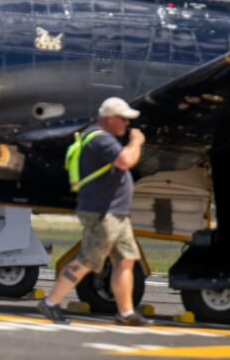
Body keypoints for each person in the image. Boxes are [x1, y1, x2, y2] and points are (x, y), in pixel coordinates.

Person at [39, 97, 148, 326]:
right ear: (109, 118)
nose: (127, 125)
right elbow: (125, 160)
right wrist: (136, 142)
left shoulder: (99, 137)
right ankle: (50, 303)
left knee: (126, 260)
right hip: (103, 213)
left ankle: (126, 313)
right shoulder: (101, 139)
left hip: (116, 213)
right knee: (88, 260)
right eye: (123, 119)